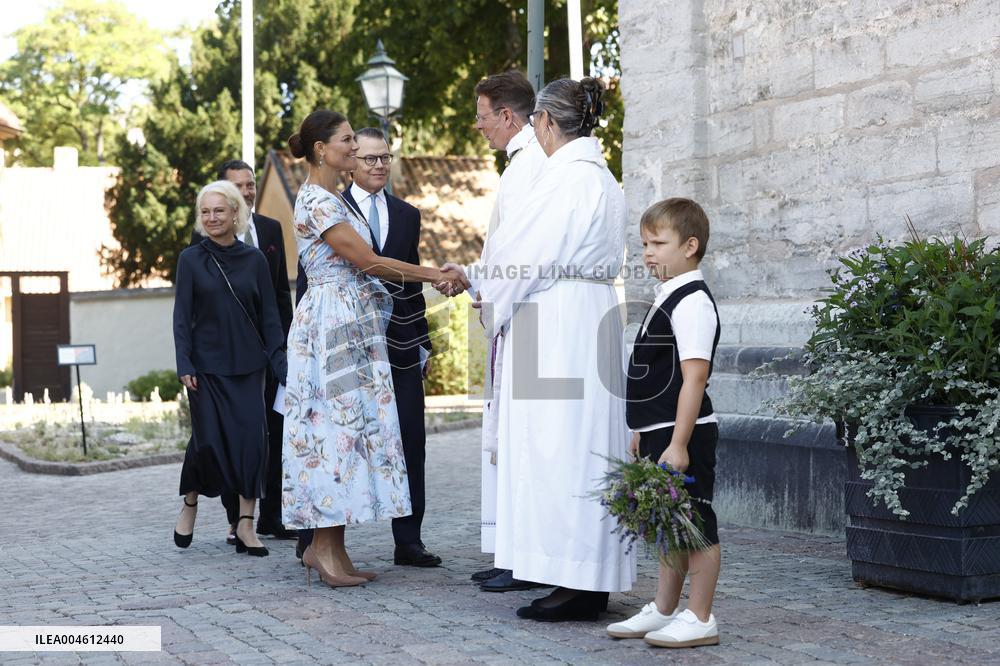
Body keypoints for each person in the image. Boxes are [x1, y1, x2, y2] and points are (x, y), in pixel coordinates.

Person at [446, 77, 634, 620]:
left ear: (547, 123)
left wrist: (482, 288)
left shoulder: (563, 181)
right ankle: (584, 577)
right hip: (590, 315)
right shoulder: (602, 179)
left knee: (556, 450)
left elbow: (520, 255)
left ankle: (572, 580)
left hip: (555, 325)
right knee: (586, 448)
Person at [281, 109, 464, 588]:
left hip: (352, 321)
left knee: (349, 429)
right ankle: (321, 549)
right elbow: (367, 261)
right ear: (323, 149)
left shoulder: (329, 197)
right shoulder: (319, 203)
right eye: (347, 141)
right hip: (332, 325)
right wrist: (436, 274)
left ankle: (334, 549)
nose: (355, 150)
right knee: (333, 428)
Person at [606, 198, 722, 648]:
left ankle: (700, 616)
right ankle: (664, 608)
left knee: (696, 522)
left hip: (685, 435)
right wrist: (642, 428)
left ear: (690, 246)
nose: (648, 253)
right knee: (668, 522)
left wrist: (679, 442)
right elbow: (658, 374)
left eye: (658, 243)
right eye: (644, 244)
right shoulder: (669, 294)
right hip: (659, 433)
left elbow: (694, 376)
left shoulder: (692, 301)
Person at [464, 70, 550, 593]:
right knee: (509, 437)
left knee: (523, 438)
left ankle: (524, 558)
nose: (479, 128)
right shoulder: (521, 163)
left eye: (481, 117)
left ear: (506, 116)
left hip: (530, 314)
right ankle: (511, 550)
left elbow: (521, 250)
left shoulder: (531, 165)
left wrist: (481, 283)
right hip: (514, 309)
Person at [172, 180, 287, 557]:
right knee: (208, 443)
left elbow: (270, 317)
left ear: (236, 213)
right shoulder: (191, 259)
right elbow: (181, 317)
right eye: (205, 212)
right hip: (205, 369)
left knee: (253, 442)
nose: (212, 218)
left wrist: (281, 363)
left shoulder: (254, 259)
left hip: (250, 366)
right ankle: (190, 503)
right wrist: (184, 362)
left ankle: (246, 525)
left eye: (219, 210)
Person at [194, 160, 297, 544]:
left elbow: (279, 294)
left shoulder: (270, 229)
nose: (248, 190)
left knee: (271, 431)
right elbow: (195, 307)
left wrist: (286, 346)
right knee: (229, 436)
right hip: (225, 359)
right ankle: (236, 519)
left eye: (251, 184)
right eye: (239, 185)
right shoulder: (201, 242)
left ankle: (272, 516)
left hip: (269, 352)